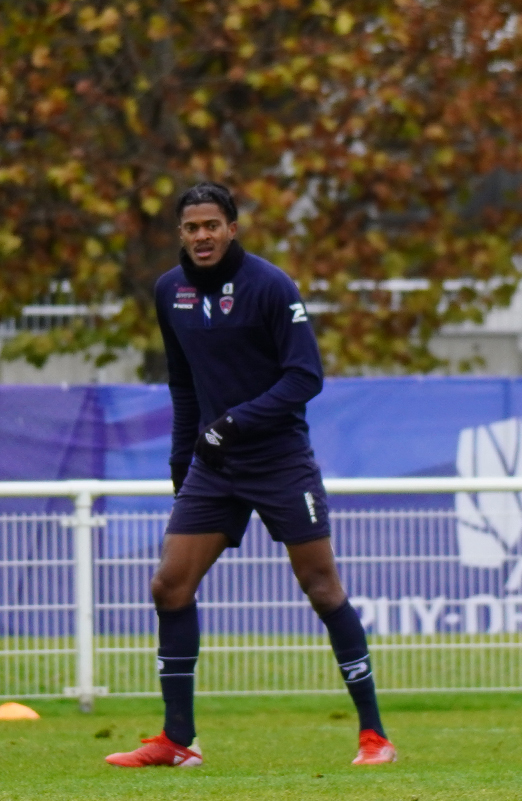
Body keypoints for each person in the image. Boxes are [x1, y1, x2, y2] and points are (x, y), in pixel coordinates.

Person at [105, 183, 396, 769]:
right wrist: (180, 463)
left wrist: (233, 423)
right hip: (214, 466)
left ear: (233, 228)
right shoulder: (169, 291)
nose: (202, 236)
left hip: (279, 460)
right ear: (181, 234)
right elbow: (183, 386)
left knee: (321, 588)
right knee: (169, 586)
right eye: (191, 228)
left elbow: (304, 377)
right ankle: (177, 741)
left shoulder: (270, 285)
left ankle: (374, 737)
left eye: (212, 225)